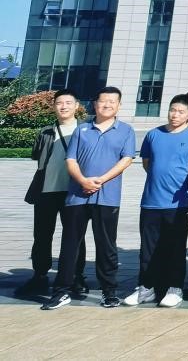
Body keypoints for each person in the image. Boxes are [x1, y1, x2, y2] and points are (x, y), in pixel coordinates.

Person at [43, 87, 136, 311]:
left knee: (106, 246)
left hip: (107, 197)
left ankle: (109, 292)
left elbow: (126, 159)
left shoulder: (126, 130)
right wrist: (83, 181)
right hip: (77, 196)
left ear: (119, 105)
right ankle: (61, 291)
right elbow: (71, 160)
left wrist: (101, 180)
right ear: (95, 104)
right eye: (103, 101)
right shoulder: (82, 129)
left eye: (112, 101)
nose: (107, 105)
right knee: (70, 245)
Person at [125, 93, 188, 308]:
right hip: (151, 200)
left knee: (175, 247)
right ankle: (146, 287)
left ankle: (174, 287)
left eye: (180, 112)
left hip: (179, 203)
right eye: (172, 110)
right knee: (148, 248)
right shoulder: (153, 135)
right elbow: (147, 163)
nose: (175, 115)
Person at [21, 90, 86, 300]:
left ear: (77, 106)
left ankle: (76, 277)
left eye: (68, 102)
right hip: (46, 190)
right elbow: (37, 156)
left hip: (73, 192)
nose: (63, 106)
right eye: (59, 103)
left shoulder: (85, 130)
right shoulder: (46, 131)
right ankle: (40, 275)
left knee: (75, 237)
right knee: (41, 235)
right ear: (54, 106)